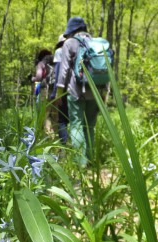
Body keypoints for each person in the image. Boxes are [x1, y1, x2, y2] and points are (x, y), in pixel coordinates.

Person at [56, 17, 108, 167]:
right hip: (96, 91)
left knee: (77, 125)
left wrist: (59, 93)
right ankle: (90, 159)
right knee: (90, 126)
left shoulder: (70, 43)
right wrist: (104, 93)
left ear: (71, 30)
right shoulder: (98, 43)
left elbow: (64, 69)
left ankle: (80, 162)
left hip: (76, 91)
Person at [32, 49, 57, 136]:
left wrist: (33, 79)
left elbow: (38, 77)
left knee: (46, 116)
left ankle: (49, 138)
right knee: (54, 116)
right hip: (56, 91)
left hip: (45, 90)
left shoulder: (41, 64)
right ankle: (57, 141)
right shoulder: (55, 63)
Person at [50, 34, 69, 145]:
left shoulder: (59, 51)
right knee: (76, 121)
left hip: (63, 89)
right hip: (76, 89)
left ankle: (63, 148)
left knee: (62, 120)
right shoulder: (75, 50)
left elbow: (57, 72)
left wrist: (55, 93)